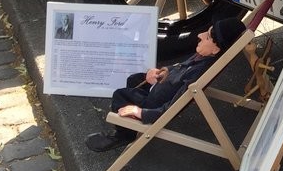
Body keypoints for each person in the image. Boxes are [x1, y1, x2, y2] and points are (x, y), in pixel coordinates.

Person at [84, 17, 246, 152]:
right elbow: (179, 67)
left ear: (216, 50)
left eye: (208, 37)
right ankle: (129, 126)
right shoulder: (202, 57)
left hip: (153, 103)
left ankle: (123, 136)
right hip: (161, 87)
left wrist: (141, 112)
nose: (201, 35)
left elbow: (172, 106)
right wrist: (163, 71)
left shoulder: (197, 74)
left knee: (120, 94)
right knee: (134, 80)